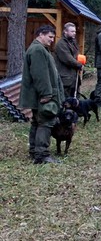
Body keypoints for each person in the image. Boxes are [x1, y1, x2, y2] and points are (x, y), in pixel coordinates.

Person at [20, 25, 65, 164]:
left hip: (40, 94)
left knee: (37, 122)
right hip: (43, 95)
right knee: (46, 122)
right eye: (50, 37)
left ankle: (34, 151)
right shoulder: (38, 50)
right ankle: (42, 155)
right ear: (40, 35)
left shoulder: (39, 49)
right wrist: (46, 94)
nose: (52, 40)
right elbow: (40, 75)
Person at [54, 22, 84, 99]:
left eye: (75, 31)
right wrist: (79, 64)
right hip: (65, 77)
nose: (74, 33)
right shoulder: (61, 44)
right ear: (65, 32)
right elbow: (68, 59)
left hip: (74, 76)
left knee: (75, 97)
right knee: (65, 99)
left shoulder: (73, 42)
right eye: (72, 31)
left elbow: (76, 55)